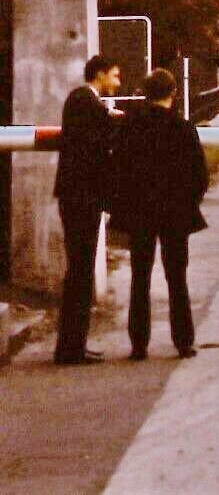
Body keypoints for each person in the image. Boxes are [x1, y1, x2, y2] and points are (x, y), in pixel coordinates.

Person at [109, 69, 208, 360]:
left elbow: (119, 170)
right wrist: (188, 201)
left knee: (140, 277)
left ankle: (139, 344)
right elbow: (199, 176)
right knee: (177, 278)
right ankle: (183, 341)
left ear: (146, 93)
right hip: (175, 213)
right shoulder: (183, 128)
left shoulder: (130, 127)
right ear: (173, 92)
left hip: (140, 212)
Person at [52, 55, 123, 365]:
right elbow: (95, 139)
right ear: (100, 74)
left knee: (81, 272)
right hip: (82, 198)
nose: (118, 82)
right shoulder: (84, 101)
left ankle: (73, 344)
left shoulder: (84, 102)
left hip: (79, 196)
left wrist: (108, 114)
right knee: (80, 272)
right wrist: (112, 118)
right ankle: (70, 348)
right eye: (115, 76)